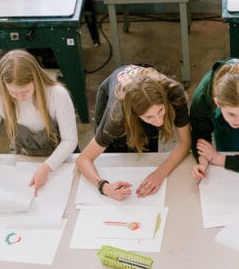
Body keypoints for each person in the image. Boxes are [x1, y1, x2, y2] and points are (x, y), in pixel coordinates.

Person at [0, 49, 79, 194]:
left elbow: (70, 140)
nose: (20, 97)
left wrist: (47, 167)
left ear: (35, 79)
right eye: (13, 92)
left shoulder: (56, 94)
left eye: (25, 91)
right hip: (22, 160)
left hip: (60, 159)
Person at [77, 64, 191, 201]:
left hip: (142, 93)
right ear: (135, 115)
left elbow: (185, 142)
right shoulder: (117, 116)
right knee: (113, 156)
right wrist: (104, 187)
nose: (159, 122)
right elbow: (83, 159)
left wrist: (160, 173)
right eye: (149, 117)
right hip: (112, 94)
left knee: (146, 151)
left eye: (161, 111)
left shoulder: (174, 93)